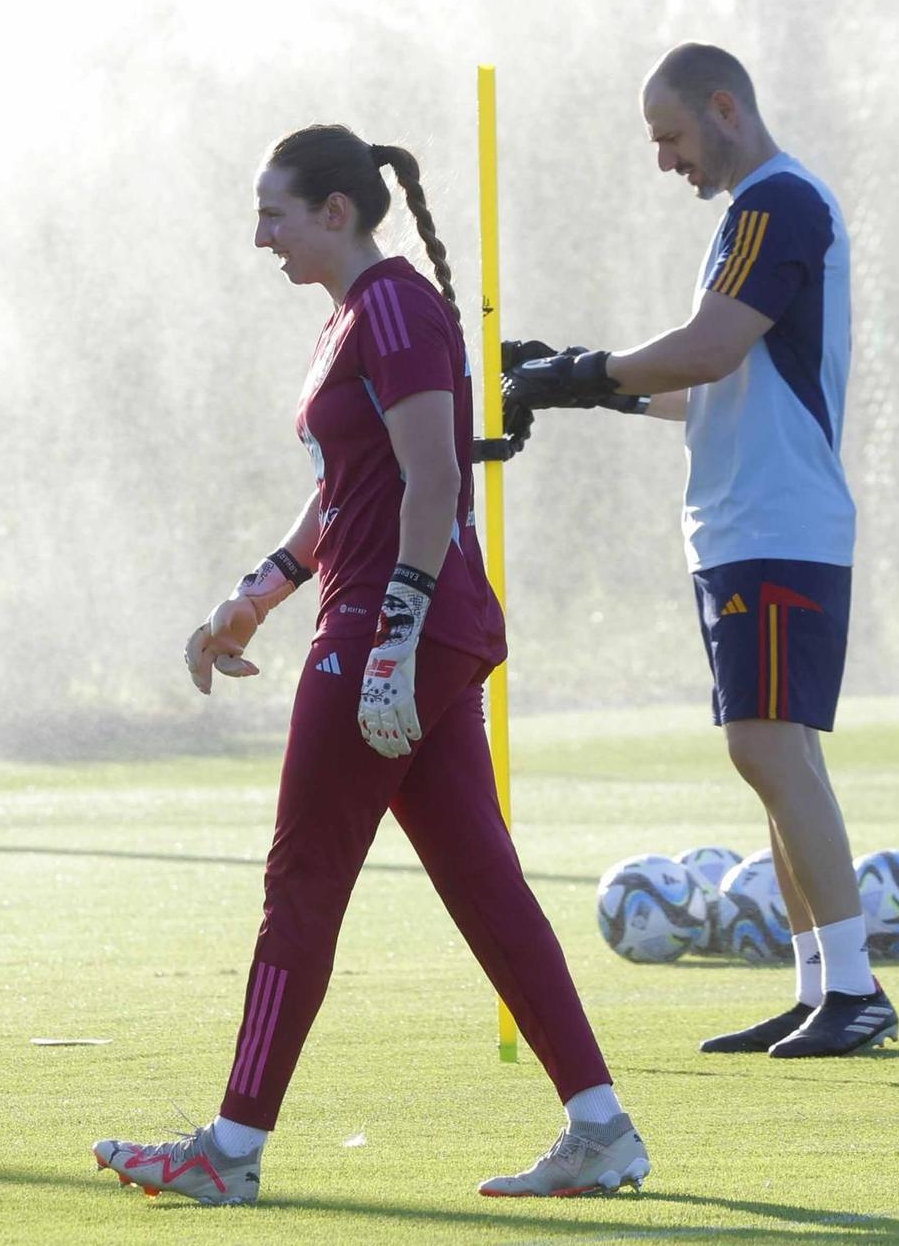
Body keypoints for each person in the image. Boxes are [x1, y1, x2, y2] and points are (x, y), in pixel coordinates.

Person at [90, 124, 648, 1206]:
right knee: (481, 881)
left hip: (393, 631)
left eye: (273, 214)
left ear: (333, 212)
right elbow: (345, 490)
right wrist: (255, 595)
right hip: (394, 623)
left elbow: (434, 478)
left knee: (300, 879)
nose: (259, 237)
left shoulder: (390, 305)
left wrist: (390, 631)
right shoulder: (353, 317)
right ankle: (600, 1128)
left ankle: (229, 1149)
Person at [502, 42, 893, 1060]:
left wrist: (577, 370)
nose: (663, 160)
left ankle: (852, 990)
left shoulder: (774, 203)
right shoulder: (750, 215)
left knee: (760, 744)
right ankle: (819, 985)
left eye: (669, 136)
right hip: (741, 522)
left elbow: (708, 345)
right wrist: (572, 379)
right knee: (772, 752)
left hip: (774, 520)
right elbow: (704, 385)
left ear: (724, 108)